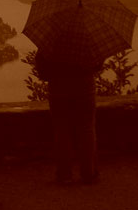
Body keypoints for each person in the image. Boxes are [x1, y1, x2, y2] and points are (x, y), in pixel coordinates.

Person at [36, 49, 99, 185]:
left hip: (59, 91)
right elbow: (98, 65)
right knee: (87, 129)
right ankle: (88, 173)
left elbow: (41, 70)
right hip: (85, 90)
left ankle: (64, 175)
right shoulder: (88, 41)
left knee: (61, 131)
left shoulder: (52, 40)